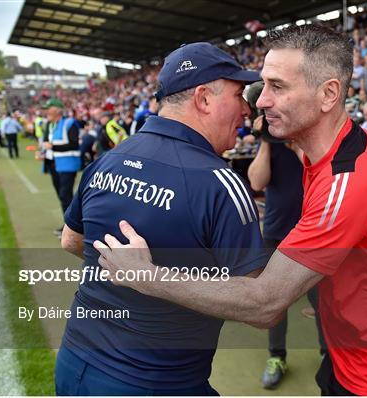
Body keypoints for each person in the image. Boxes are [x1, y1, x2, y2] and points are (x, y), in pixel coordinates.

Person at [95, 25, 367, 396]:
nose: (259, 101)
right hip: (352, 355)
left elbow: (265, 303)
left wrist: (144, 275)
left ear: (328, 94)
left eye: (278, 86)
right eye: (264, 85)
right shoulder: (326, 148)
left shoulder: (348, 181)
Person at [58, 42, 263, 395]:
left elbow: (71, 240)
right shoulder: (219, 182)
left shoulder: (109, 159)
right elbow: (259, 304)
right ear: (203, 98)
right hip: (156, 380)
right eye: (238, 93)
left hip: (74, 362)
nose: (247, 107)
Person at [246, 82, 323, 389]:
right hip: (277, 234)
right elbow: (256, 181)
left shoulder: (308, 137)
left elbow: (316, 166)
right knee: (274, 303)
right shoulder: (270, 140)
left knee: (323, 302)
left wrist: (292, 136)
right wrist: (266, 139)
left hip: (312, 235)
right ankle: (276, 356)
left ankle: (329, 353)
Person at [42, 98, 81, 236]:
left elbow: (74, 144)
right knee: (62, 196)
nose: (46, 111)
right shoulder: (53, 124)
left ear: (57, 110)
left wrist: (52, 147)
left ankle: (71, 227)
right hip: (57, 164)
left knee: (65, 195)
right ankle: (69, 225)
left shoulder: (69, 123)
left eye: (49, 108)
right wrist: (44, 152)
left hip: (68, 165)